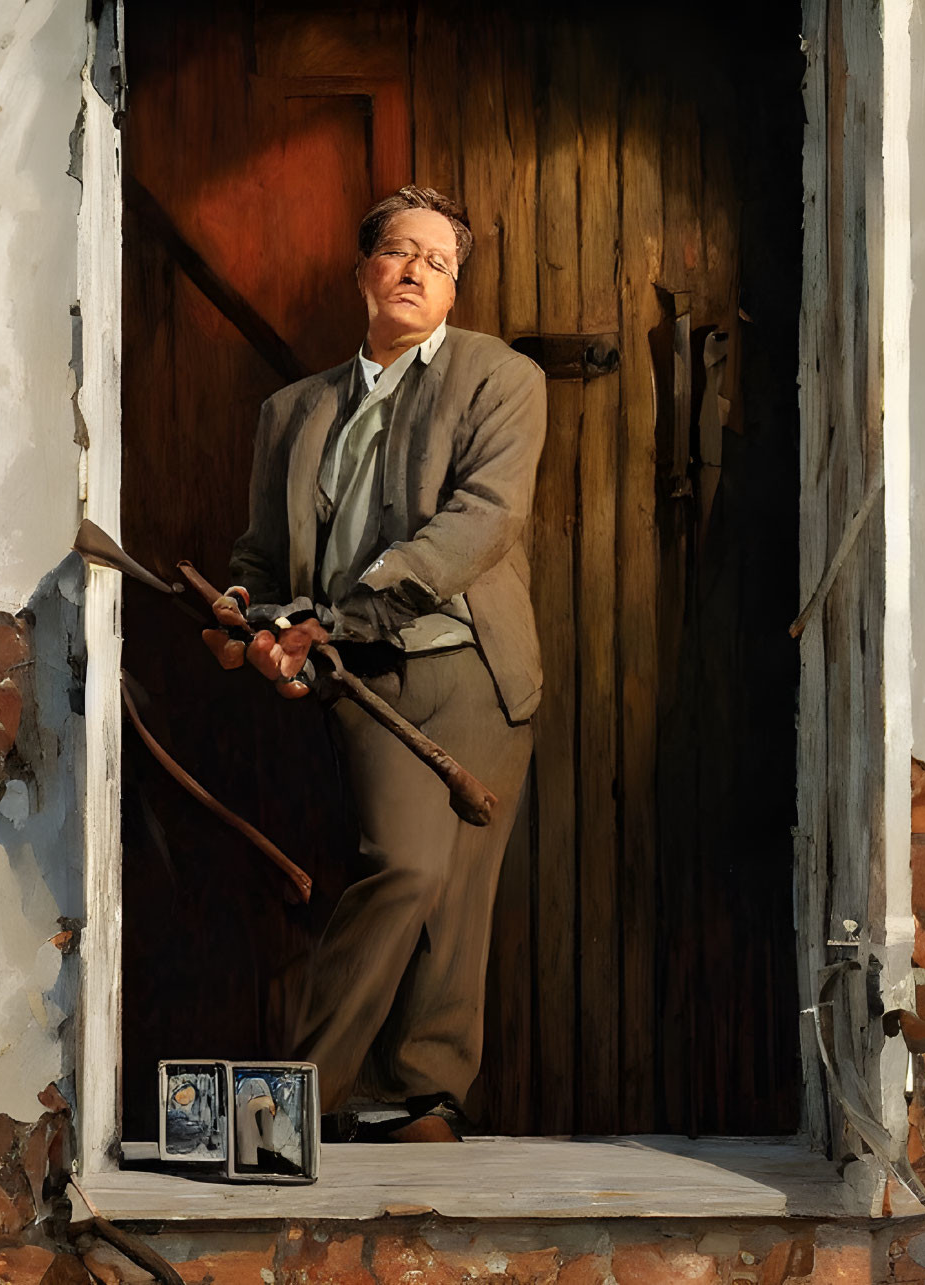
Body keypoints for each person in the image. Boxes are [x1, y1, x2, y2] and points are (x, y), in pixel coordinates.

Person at [215, 185, 545, 1141]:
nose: (414, 271)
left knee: (460, 893)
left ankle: (425, 1099)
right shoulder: (291, 411)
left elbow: (484, 519)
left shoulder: (499, 378)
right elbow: (260, 562)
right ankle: (284, 1108)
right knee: (400, 864)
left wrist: (337, 614)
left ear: (454, 290)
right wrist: (248, 618)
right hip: (361, 677)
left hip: (479, 666)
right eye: (398, 253)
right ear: (363, 271)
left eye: (436, 263)